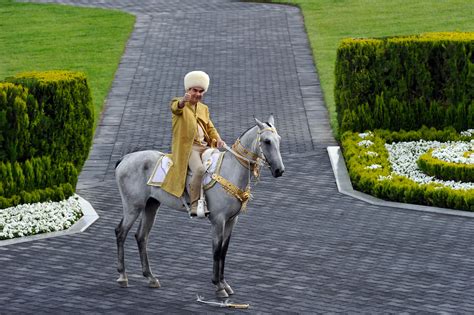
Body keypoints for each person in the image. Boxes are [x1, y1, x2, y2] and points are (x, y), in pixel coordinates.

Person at [161, 71, 225, 216]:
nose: (197, 94)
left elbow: (210, 127)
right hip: (190, 149)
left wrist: (219, 139)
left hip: (205, 147)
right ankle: (195, 204)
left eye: (201, 91)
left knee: (219, 167)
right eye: (194, 90)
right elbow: (176, 108)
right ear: (188, 90)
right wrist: (183, 101)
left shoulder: (204, 108)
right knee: (200, 170)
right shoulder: (178, 103)